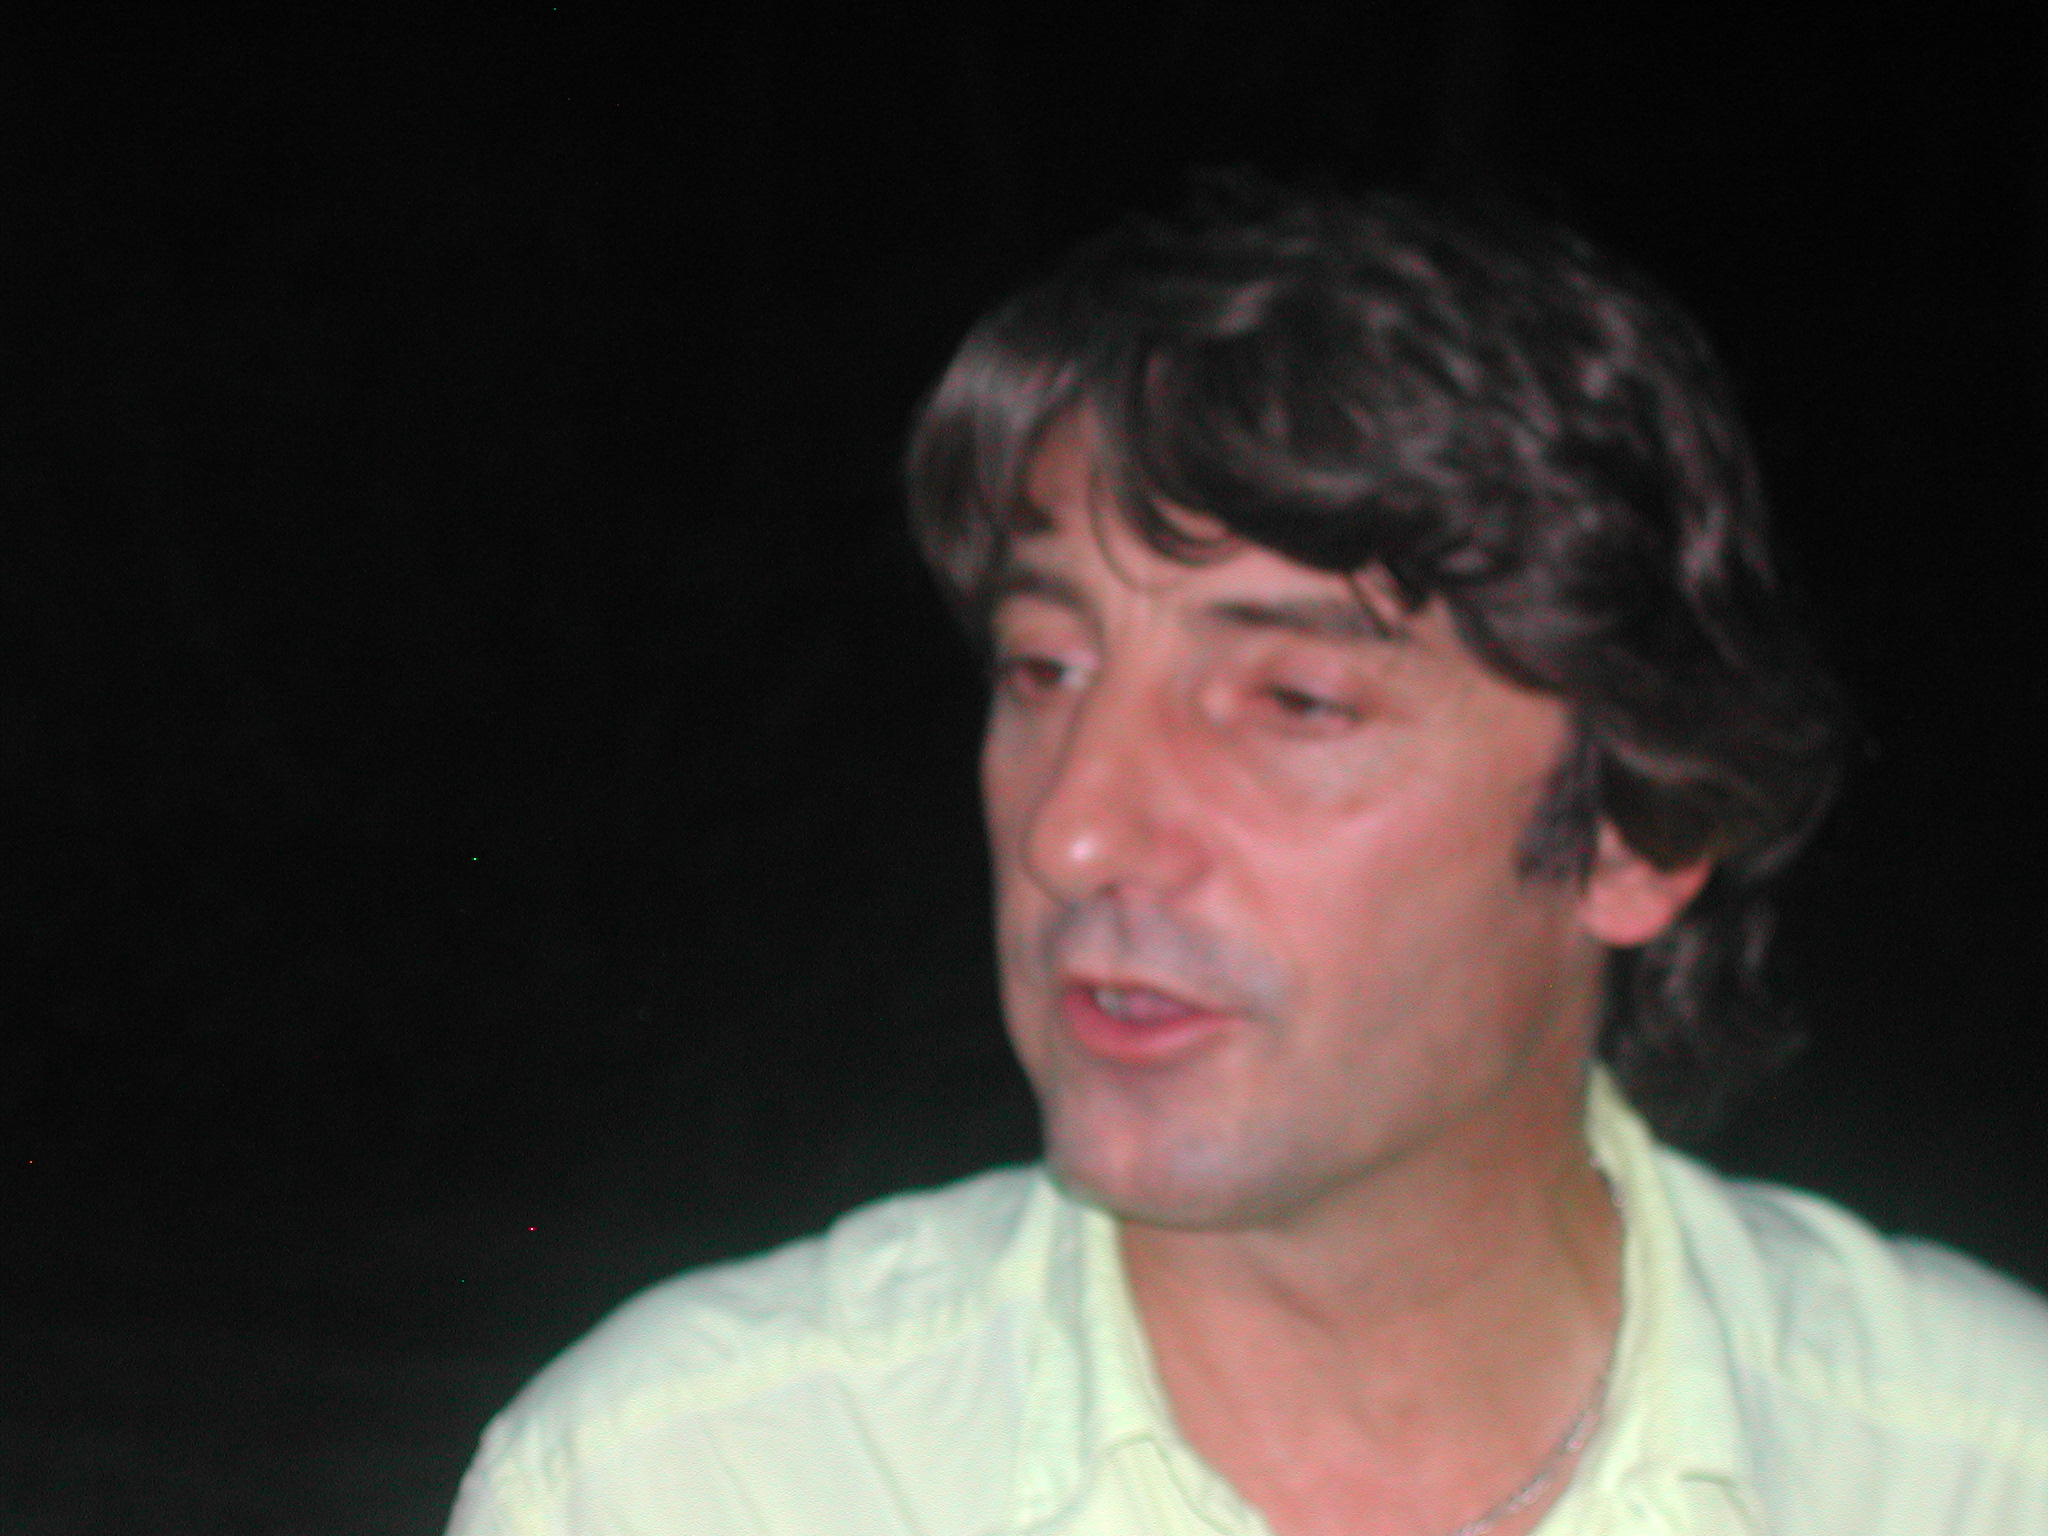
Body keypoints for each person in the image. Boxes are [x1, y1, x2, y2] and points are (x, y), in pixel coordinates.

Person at [446, 177, 2048, 1535]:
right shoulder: (691, 1483)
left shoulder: (1971, 1471)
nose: (1074, 830)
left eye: (1292, 701)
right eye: (1044, 670)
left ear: (1643, 827)